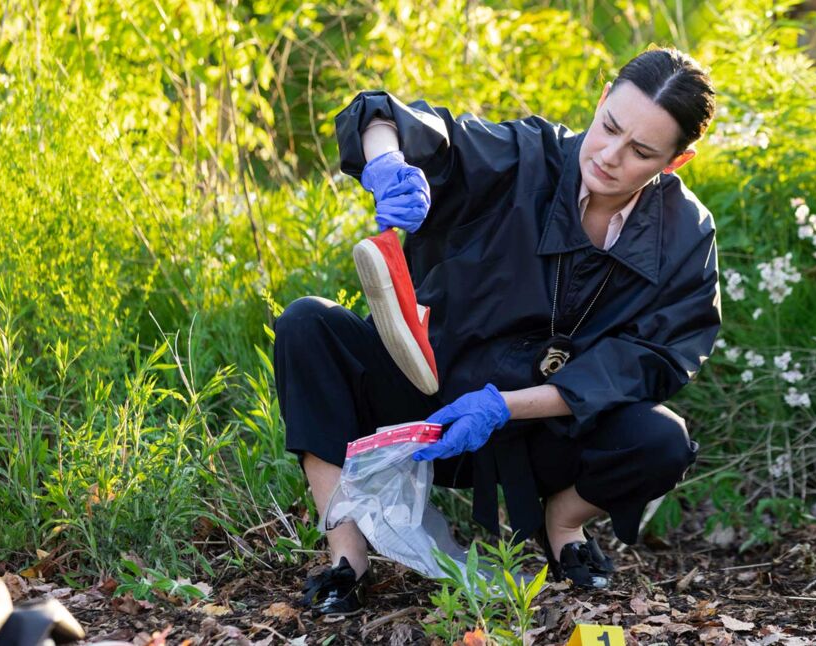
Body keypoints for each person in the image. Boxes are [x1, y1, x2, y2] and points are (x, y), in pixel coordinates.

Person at [273, 46, 722, 617]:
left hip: (538, 428)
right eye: (608, 126)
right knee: (307, 323)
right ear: (603, 98)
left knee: (662, 441)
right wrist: (388, 162)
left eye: (640, 152)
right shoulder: (522, 155)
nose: (609, 156)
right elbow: (391, 118)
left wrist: (503, 406)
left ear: (675, 162)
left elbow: (650, 360)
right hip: (424, 405)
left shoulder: (685, 235)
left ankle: (561, 524)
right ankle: (347, 552)